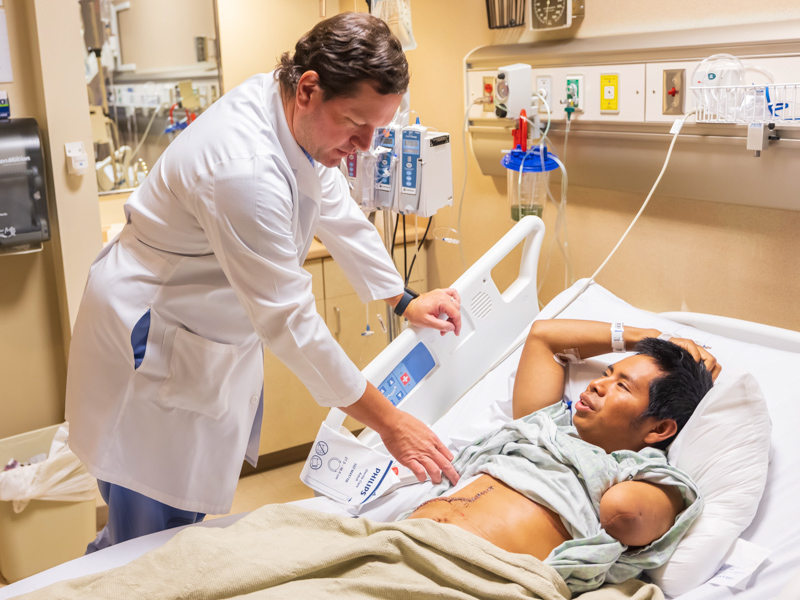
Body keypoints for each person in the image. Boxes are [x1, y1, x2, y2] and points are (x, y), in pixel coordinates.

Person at [66, 12, 461, 552]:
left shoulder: (286, 112)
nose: (367, 146)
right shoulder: (243, 169)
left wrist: (403, 299)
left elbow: (333, 205)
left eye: (378, 129)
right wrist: (392, 423)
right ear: (308, 89)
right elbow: (292, 324)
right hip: (154, 341)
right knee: (144, 544)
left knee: (168, 525)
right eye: (355, 125)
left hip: (196, 328)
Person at [402, 319, 719, 592]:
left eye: (622, 386)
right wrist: (651, 339)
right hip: (400, 545)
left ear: (660, 429)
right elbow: (545, 337)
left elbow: (622, 513)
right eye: (606, 373)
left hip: (470, 579)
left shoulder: (650, 477)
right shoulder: (544, 426)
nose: (596, 383)